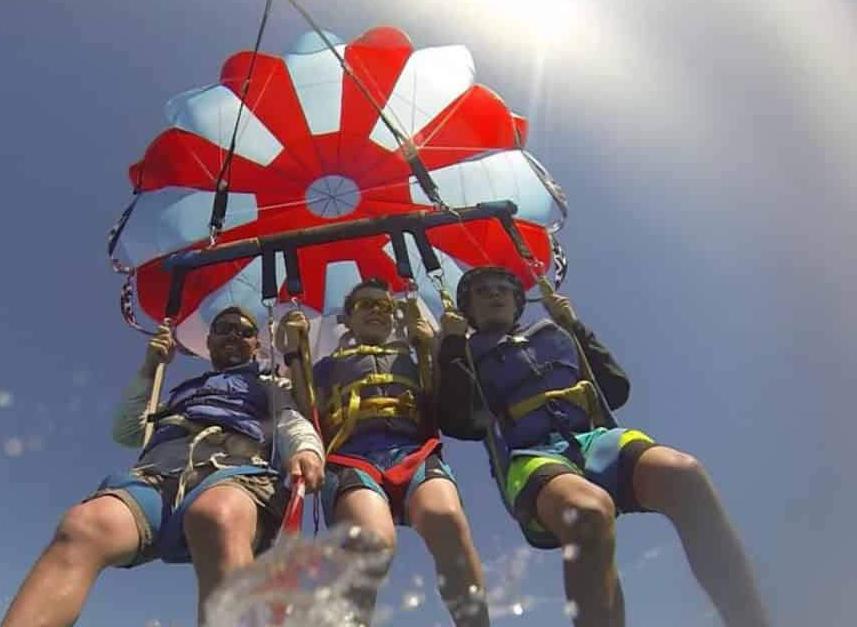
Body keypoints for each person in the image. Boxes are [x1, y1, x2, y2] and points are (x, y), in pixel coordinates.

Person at [436, 266, 770, 627]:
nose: (495, 294)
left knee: (684, 475)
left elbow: (614, 388)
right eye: (482, 291)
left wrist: (575, 324)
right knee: (586, 514)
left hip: (597, 440)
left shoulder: (554, 332)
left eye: (503, 289)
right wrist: (451, 346)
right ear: (467, 309)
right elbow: (460, 423)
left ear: (519, 302)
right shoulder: (466, 352)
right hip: (532, 456)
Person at [2, 306, 325, 627]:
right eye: (224, 328)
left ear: (257, 345)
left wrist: (306, 450)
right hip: (159, 475)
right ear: (209, 340)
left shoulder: (270, 385)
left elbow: (292, 418)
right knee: (85, 524)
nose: (233, 336)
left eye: (244, 332)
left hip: (235, 472)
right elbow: (128, 432)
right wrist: (149, 367)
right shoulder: (181, 391)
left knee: (216, 516)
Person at [279, 278, 490, 626]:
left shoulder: (415, 354)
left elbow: (444, 402)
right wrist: (293, 351)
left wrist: (435, 346)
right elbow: (307, 408)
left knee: (448, 523)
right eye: (367, 305)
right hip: (353, 458)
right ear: (347, 319)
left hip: (414, 452)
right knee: (370, 543)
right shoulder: (328, 366)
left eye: (385, 306)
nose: (377, 311)